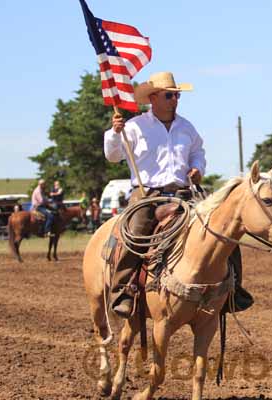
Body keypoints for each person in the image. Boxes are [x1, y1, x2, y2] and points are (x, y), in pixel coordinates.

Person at [104, 71, 252, 318]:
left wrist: (197, 169)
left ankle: (233, 290)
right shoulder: (134, 127)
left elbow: (198, 152)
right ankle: (123, 291)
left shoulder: (187, 127)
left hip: (184, 194)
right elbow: (113, 156)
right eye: (169, 95)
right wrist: (114, 133)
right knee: (136, 232)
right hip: (147, 195)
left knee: (223, 228)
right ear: (153, 98)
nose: (175, 100)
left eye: (177, 95)